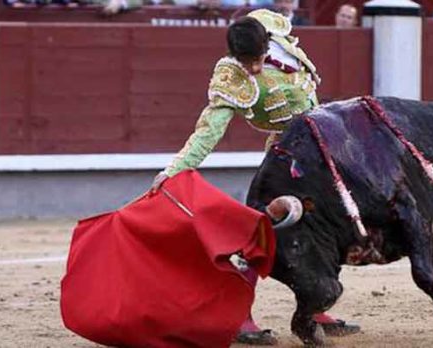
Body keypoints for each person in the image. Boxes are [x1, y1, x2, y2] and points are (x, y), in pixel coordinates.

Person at [150, 9, 360, 346]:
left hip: (321, 151)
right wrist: (173, 170)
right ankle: (240, 317)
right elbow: (208, 132)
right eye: (247, 63)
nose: (255, 69)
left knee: (329, 228)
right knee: (263, 233)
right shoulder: (230, 76)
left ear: (267, 44)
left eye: (258, 59)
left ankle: (315, 307)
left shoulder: (274, 29)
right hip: (283, 160)